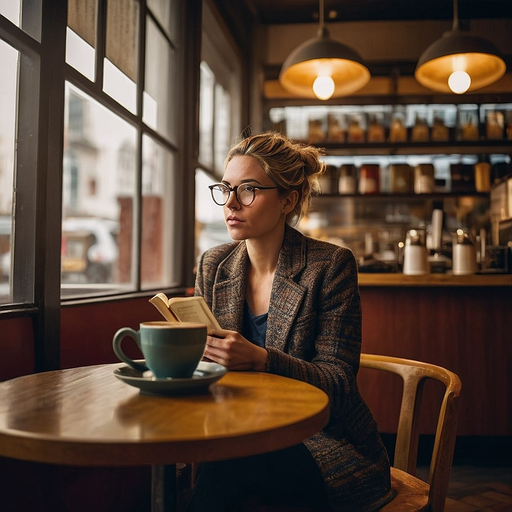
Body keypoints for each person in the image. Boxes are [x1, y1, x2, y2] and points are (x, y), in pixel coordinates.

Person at [187, 132, 395, 511]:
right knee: (230, 459)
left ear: (288, 200)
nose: (231, 203)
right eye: (226, 189)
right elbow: (204, 366)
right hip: (235, 430)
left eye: (248, 190)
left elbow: (338, 384)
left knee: (236, 463)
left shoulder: (329, 266)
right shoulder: (213, 265)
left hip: (324, 440)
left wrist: (262, 360)